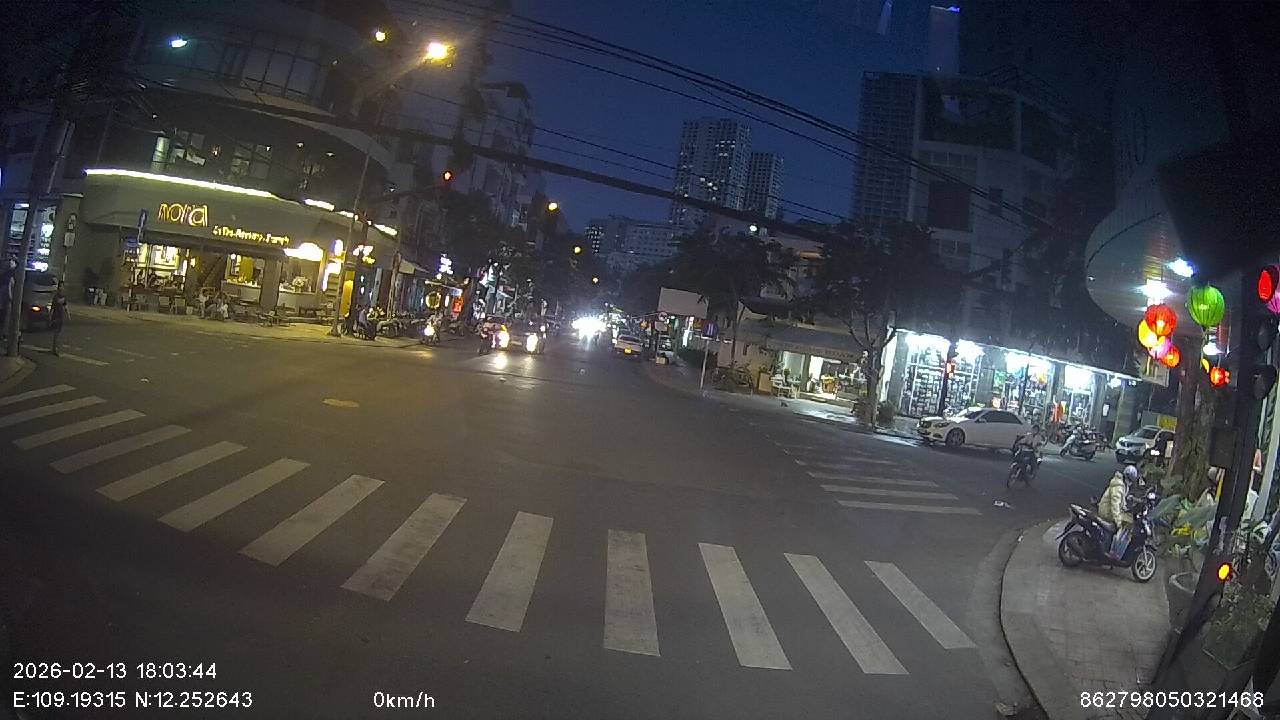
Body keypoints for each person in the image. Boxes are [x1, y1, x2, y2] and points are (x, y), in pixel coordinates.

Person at [1099, 465, 1139, 562]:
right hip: (1107, 511)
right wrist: (1118, 522)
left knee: (1130, 520)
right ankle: (1115, 552)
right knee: (1127, 526)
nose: (1131, 481)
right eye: (1130, 479)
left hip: (1111, 510)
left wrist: (1126, 509)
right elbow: (1115, 505)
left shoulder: (1123, 486)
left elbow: (1122, 502)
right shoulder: (1118, 487)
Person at [50, 281, 67, 356]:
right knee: (56, 332)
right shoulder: (56, 296)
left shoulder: (64, 296)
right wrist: (50, 316)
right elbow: (53, 306)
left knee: (59, 332)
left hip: (61, 315)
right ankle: (54, 348)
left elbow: (65, 305)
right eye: (60, 286)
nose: (61, 288)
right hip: (56, 315)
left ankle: (56, 348)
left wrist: (67, 313)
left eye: (62, 286)